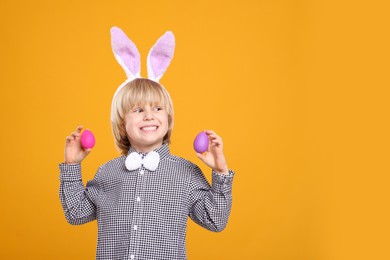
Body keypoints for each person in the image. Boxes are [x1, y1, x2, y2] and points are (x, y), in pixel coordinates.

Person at [59, 28, 234, 260]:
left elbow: (215, 221)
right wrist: (71, 166)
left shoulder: (187, 173)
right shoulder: (108, 172)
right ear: (122, 124)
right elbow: (76, 213)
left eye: (157, 108)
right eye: (138, 110)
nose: (149, 116)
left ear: (168, 119)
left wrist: (220, 172)